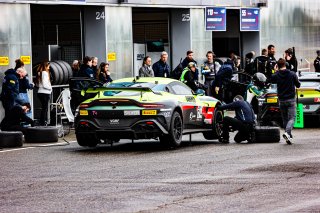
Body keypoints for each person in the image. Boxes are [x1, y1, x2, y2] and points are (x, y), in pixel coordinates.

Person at [269, 58, 301, 144]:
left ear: (277, 66)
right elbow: (298, 85)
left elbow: (271, 79)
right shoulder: (292, 74)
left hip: (281, 100)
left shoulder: (276, 75)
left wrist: (275, 71)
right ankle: (287, 133)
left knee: (285, 119)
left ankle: (288, 137)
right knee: (292, 118)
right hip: (291, 100)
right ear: (285, 64)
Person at [36, 61, 52, 126]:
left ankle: (42, 122)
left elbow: (37, 84)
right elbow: (45, 84)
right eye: (48, 66)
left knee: (43, 108)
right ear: (46, 66)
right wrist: (50, 88)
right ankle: (42, 122)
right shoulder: (45, 73)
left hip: (40, 92)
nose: (49, 67)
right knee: (45, 109)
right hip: (45, 93)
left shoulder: (39, 73)